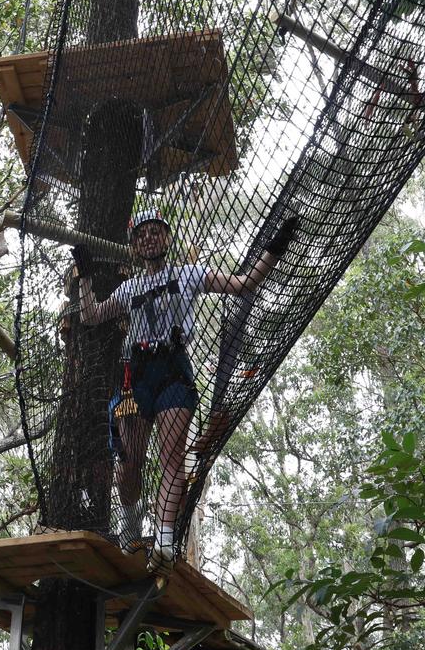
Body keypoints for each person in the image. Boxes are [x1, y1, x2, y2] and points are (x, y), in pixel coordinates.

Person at [74, 209, 298, 569]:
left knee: (172, 457)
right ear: (134, 245)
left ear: (167, 238)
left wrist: (275, 247)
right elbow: (91, 315)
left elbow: (243, 284)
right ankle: (132, 532)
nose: (149, 237)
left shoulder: (189, 274)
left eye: (156, 232)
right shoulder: (130, 287)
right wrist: (84, 277)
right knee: (129, 463)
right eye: (142, 234)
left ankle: (163, 540)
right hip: (136, 373)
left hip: (173, 369)